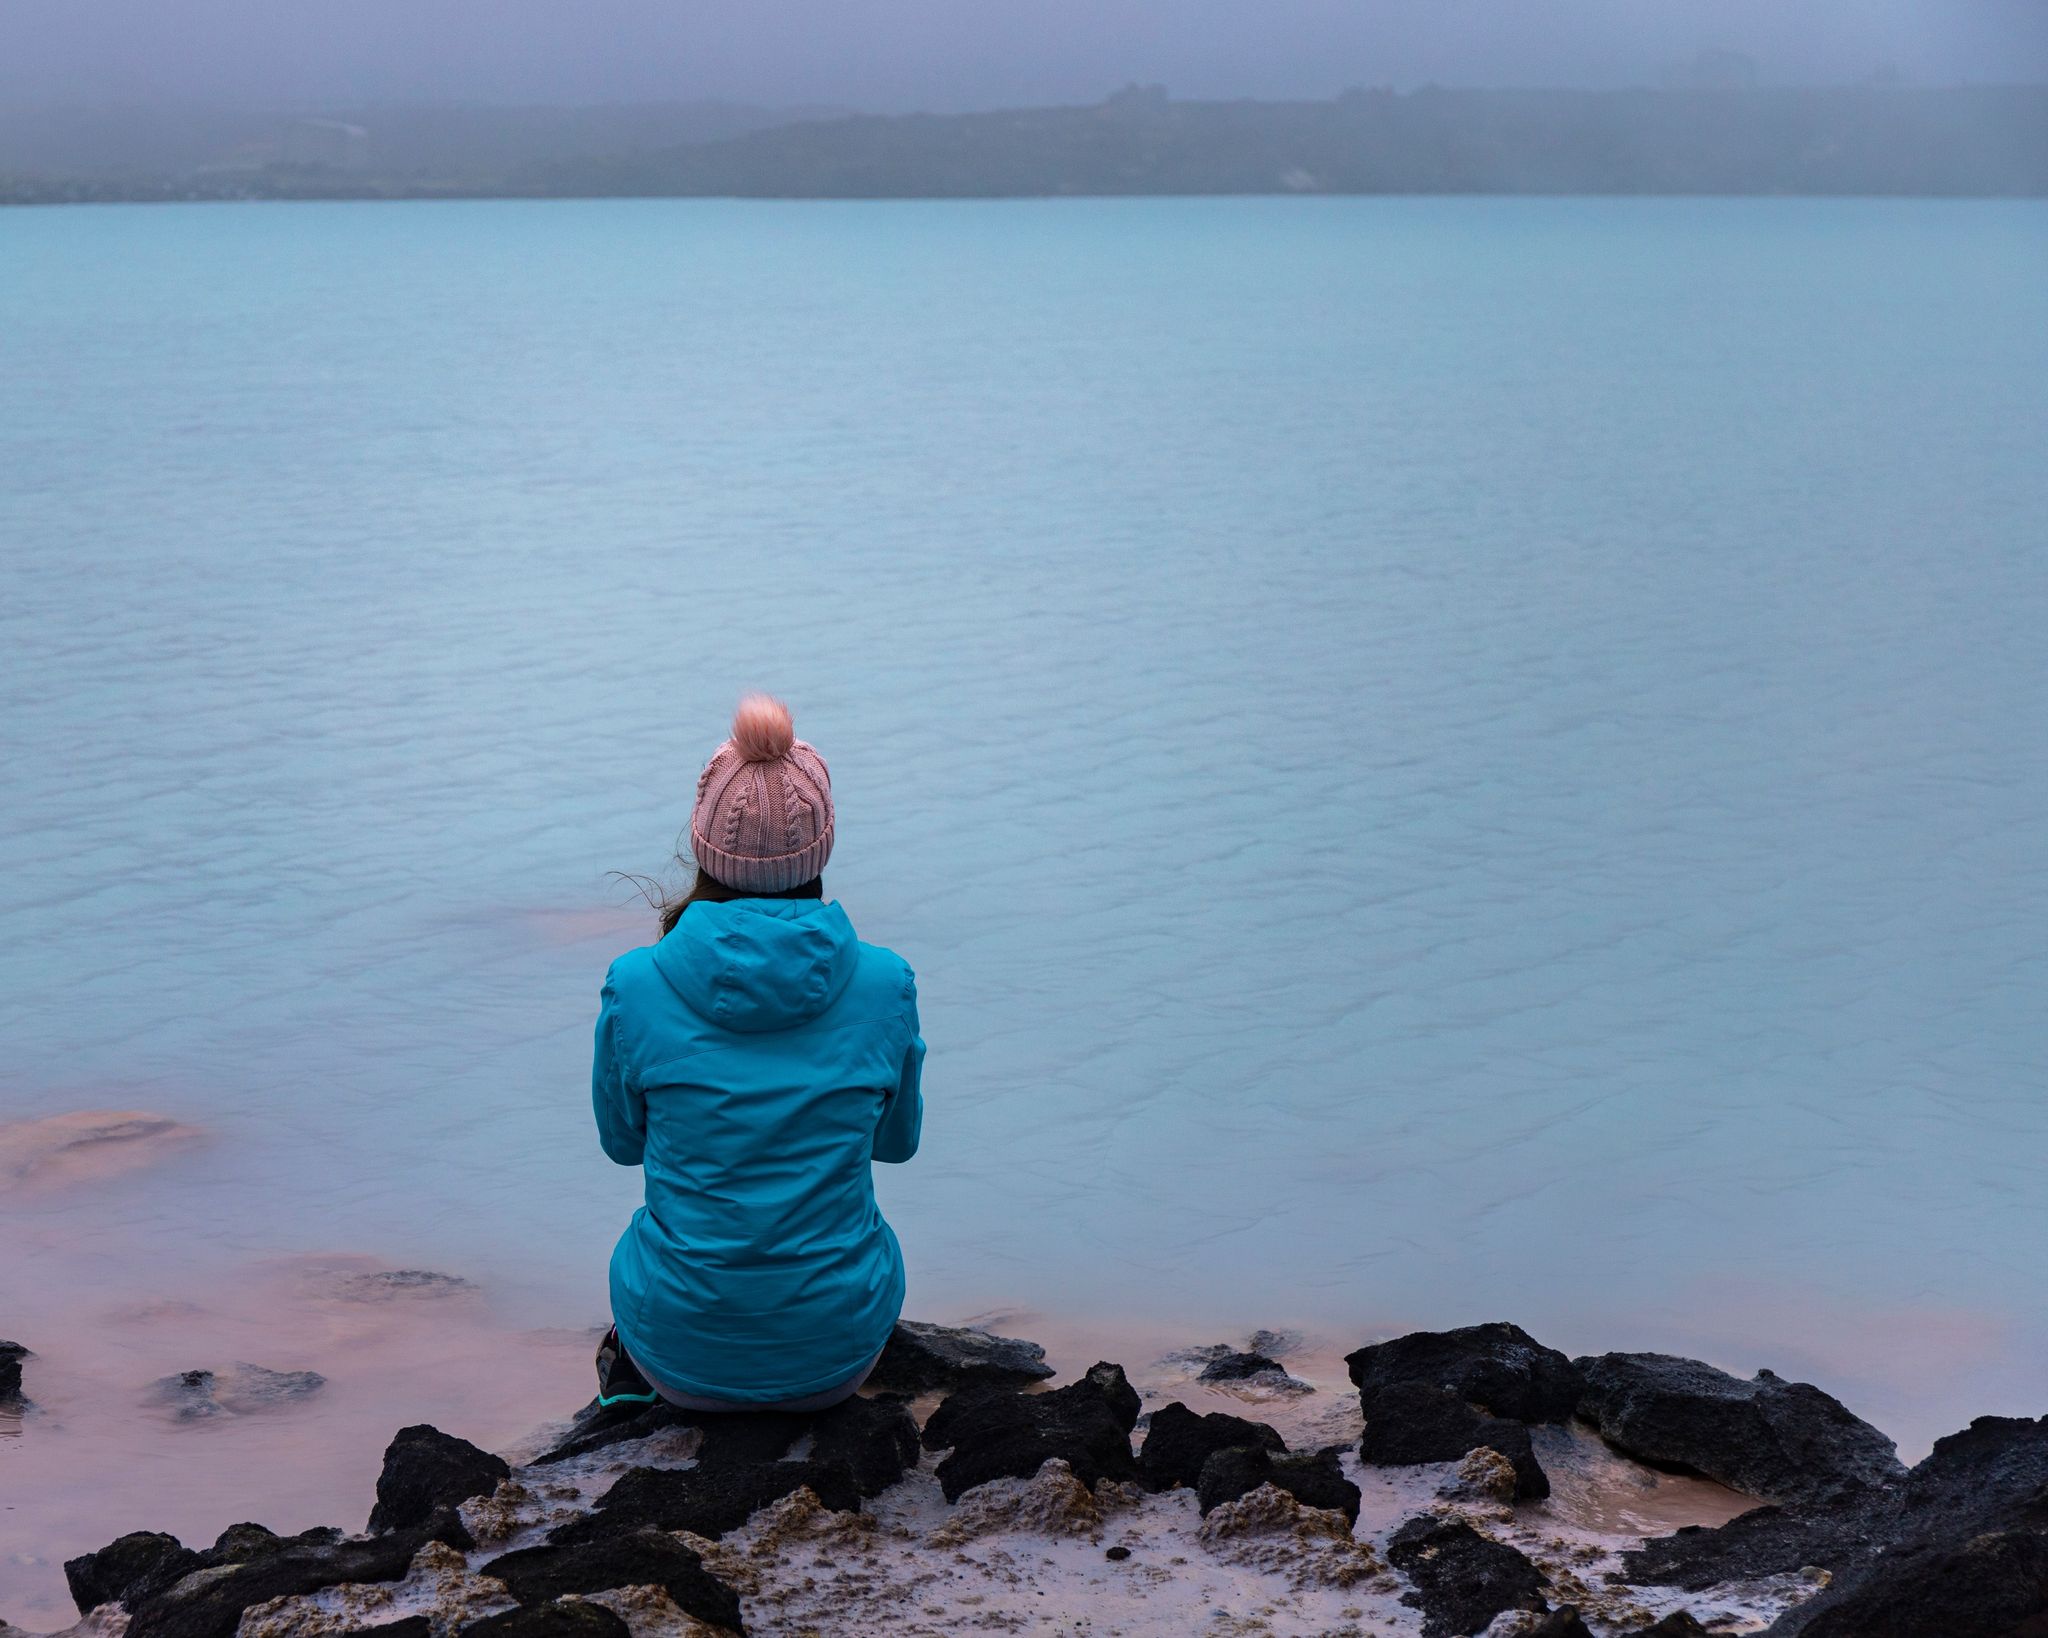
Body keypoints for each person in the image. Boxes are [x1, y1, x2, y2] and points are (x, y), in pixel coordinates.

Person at [589, 695, 924, 1411]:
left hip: (679, 1352)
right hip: (836, 1356)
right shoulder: (887, 983)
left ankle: (628, 1396)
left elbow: (623, 1146)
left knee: (645, 1248)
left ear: (704, 844)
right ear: (823, 845)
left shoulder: (635, 985)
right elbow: (896, 1145)